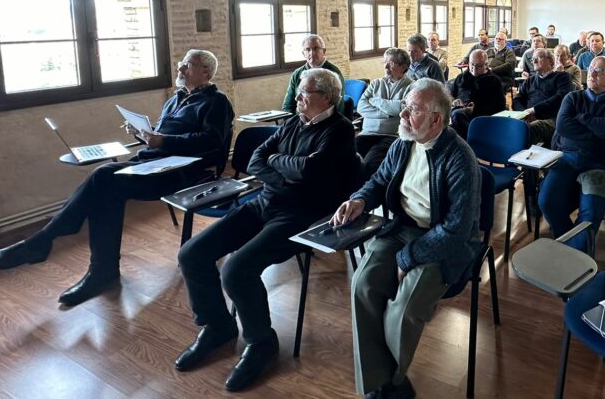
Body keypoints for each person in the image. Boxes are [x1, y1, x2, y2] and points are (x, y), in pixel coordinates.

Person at [0, 49, 234, 307]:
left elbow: (211, 143)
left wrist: (162, 141)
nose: (180, 68)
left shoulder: (216, 102)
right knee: (106, 189)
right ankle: (97, 269)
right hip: (155, 163)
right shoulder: (176, 99)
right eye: (182, 63)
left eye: (187, 64)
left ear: (206, 72)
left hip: (186, 172)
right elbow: (163, 136)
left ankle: (51, 246)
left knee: (104, 175)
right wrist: (144, 134)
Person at [174, 68, 359, 391]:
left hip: (303, 214)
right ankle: (218, 326)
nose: (298, 98)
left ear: (326, 97)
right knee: (192, 253)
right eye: (299, 93)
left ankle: (261, 343)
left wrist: (280, 163)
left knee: (236, 270)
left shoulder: (339, 131)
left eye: (305, 93)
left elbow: (311, 171)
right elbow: (256, 159)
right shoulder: (292, 121)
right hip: (265, 202)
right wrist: (282, 173)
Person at [331, 79, 481, 399]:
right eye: (404, 107)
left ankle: (393, 381)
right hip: (402, 228)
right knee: (363, 285)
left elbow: (456, 229)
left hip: (443, 242)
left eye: (411, 110)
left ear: (436, 120)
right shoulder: (403, 142)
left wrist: (407, 258)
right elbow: (379, 181)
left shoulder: (460, 159)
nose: (402, 116)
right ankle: (381, 383)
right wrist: (359, 200)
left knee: (405, 307)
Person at [538, 56, 605, 254]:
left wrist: (581, 118)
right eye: (591, 68)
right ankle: (569, 244)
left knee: (590, 212)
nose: (593, 73)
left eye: (600, 71)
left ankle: (576, 257)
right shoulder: (573, 97)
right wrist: (600, 126)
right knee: (547, 201)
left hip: (599, 164)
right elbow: (563, 126)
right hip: (566, 159)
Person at [357, 48, 413, 176]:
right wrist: (387, 114)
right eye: (385, 62)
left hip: (390, 136)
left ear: (403, 66)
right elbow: (361, 107)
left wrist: (376, 101)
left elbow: (401, 108)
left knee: (369, 165)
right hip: (366, 133)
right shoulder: (376, 83)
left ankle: (366, 194)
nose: (386, 66)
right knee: (346, 160)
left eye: (391, 63)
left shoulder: (411, 87)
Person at [511, 48, 573, 145]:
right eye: (533, 59)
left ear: (550, 61)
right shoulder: (530, 80)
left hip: (552, 118)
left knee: (533, 127)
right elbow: (517, 100)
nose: (534, 61)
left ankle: (514, 157)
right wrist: (524, 113)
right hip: (528, 117)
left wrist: (534, 110)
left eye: (538, 58)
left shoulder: (562, 77)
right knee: (506, 123)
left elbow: (560, 98)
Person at [447, 49, 505, 139]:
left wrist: (474, 109)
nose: (473, 68)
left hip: (480, 118)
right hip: (458, 114)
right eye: (471, 64)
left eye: (478, 66)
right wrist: (454, 101)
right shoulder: (461, 77)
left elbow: (500, 107)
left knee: (457, 115)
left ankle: (469, 142)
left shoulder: (494, 81)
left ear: (486, 65)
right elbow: (450, 94)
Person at [281, 34, 345, 115]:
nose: (312, 53)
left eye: (316, 48)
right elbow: (288, 105)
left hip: (323, 122)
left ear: (324, 51)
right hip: (299, 121)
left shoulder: (333, 73)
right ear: (303, 54)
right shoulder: (297, 74)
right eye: (307, 49)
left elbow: (337, 106)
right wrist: (290, 123)